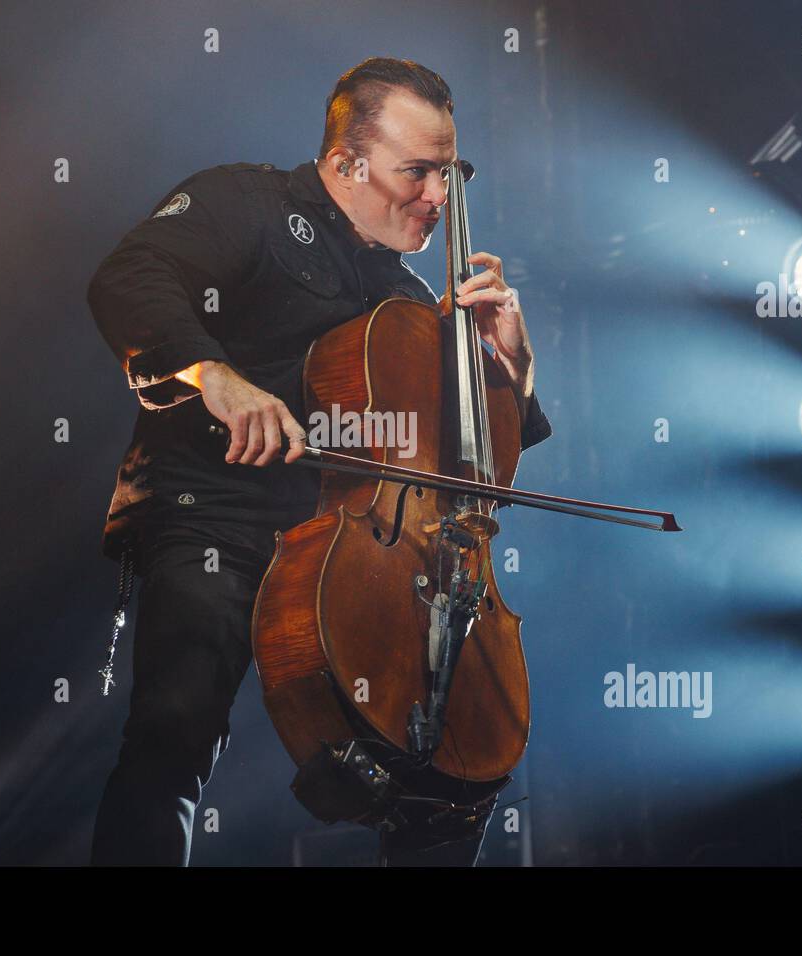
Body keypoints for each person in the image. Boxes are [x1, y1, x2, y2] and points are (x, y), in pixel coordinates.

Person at [86, 57, 552, 866]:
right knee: (176, 733)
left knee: (451, 784)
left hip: (363, 558)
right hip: (217, 517)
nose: (440, 200)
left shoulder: (412, 303)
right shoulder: (246, 203)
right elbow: (130, 277)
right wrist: (216, 376)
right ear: (346, 163)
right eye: (418, 173)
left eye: (450, 175)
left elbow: (477, 482)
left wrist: (511, 365)